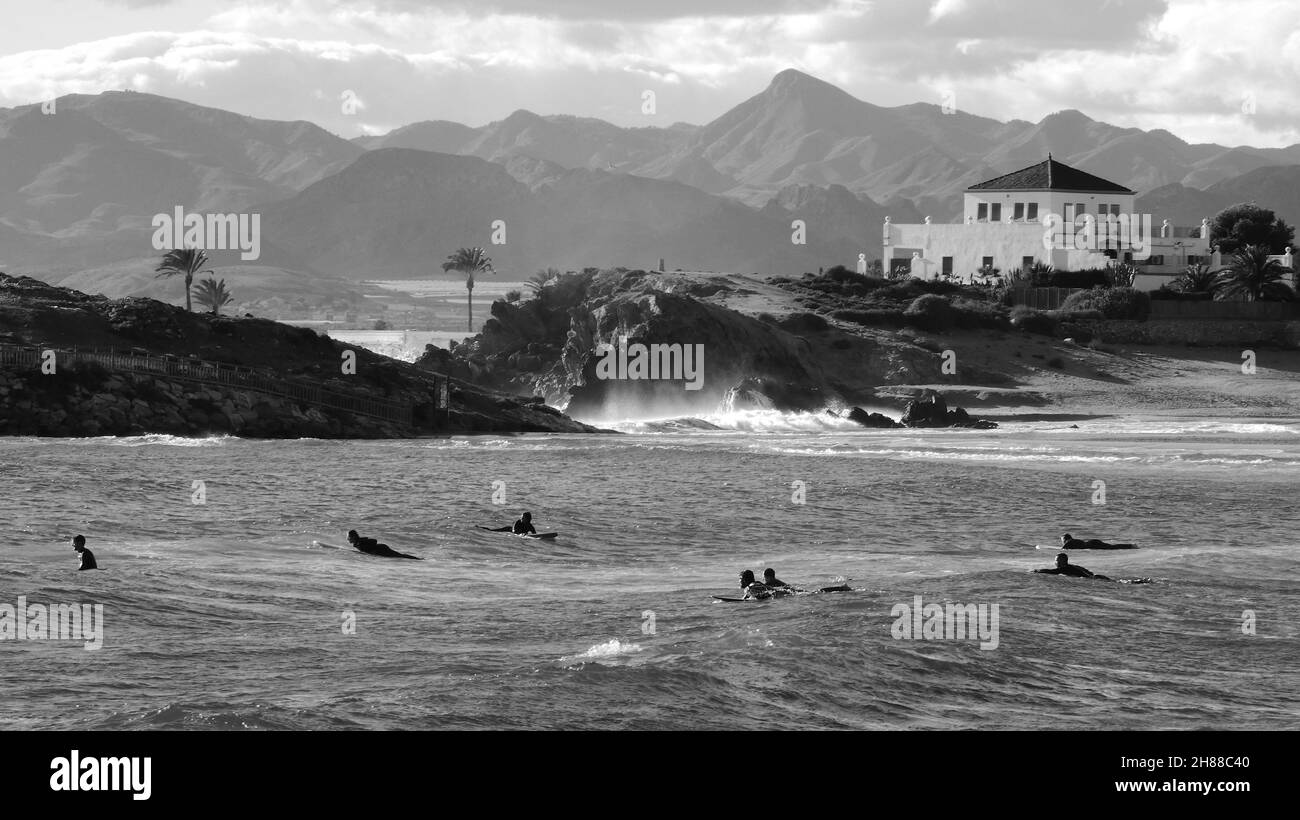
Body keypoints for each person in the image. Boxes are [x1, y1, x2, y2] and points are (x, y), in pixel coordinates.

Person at [346, 530, 421, 560]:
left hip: (381, 549)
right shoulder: (358, 542)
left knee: (400, 556)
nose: (347, 539)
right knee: (400, 556)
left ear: (353, 537)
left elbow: (374, 541)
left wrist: (372, 551)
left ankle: (417, 559)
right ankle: (417, 559)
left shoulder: (359, 543)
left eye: (348, 537)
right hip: (380, 549)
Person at [1033, 552, 1110, 580]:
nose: (1055, 562)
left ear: (1061, 561)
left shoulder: (1064, 569)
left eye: (1056, 560)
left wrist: (1036, 571)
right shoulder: (1072, 567)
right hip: (1097, 577)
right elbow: (1087, 571)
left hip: (1092, 579)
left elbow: (1051, 571)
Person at [1060, 533, 1136, 550]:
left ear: (1065, 539)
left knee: (1112, 547)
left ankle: (1131, 546)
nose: (1062, 542)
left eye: (1062, 540)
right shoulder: (1074, 541)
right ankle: (1130, 546)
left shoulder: (1069, 542)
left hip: (1092, 544)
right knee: (1112, 547)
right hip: (1092, 542)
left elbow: (1062, 550)